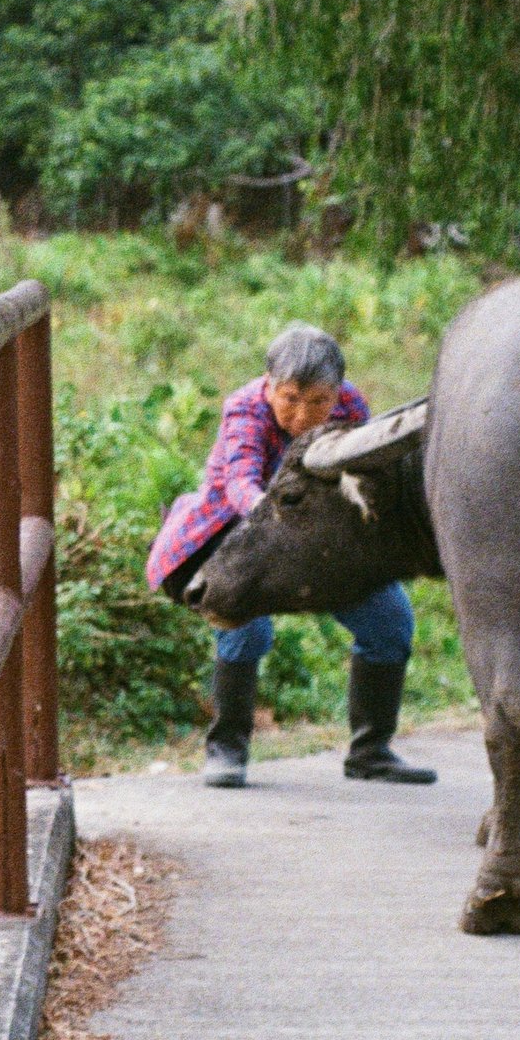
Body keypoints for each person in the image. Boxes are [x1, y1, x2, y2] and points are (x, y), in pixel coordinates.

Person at [146, 322, 436, 789]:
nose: (304, 415)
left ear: (337, 392)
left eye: (319, 402)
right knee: (244, 622)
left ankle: (371, 751)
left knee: (390, 620)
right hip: (239, 528)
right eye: (290, 399)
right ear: (269, 385)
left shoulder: (351, 406)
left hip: (318, 535)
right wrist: (274, 516)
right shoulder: (244, 408)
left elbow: (368, 472)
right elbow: (239, 481)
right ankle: (227, 748)